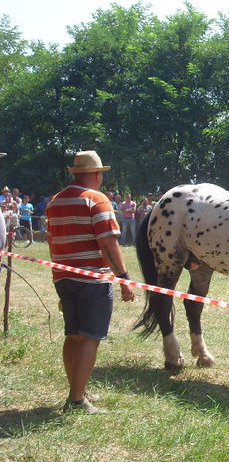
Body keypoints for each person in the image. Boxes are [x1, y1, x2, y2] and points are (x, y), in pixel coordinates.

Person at [46, 150, 136, 414]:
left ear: (75, 173)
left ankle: (78, 390)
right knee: (89, 338)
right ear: (97, 175)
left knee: (72, 336)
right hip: (92, 280)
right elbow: (108, 242)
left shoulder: (54, 201)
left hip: (62, 277)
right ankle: (76, 400)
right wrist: (124, 278)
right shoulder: (97, 200)